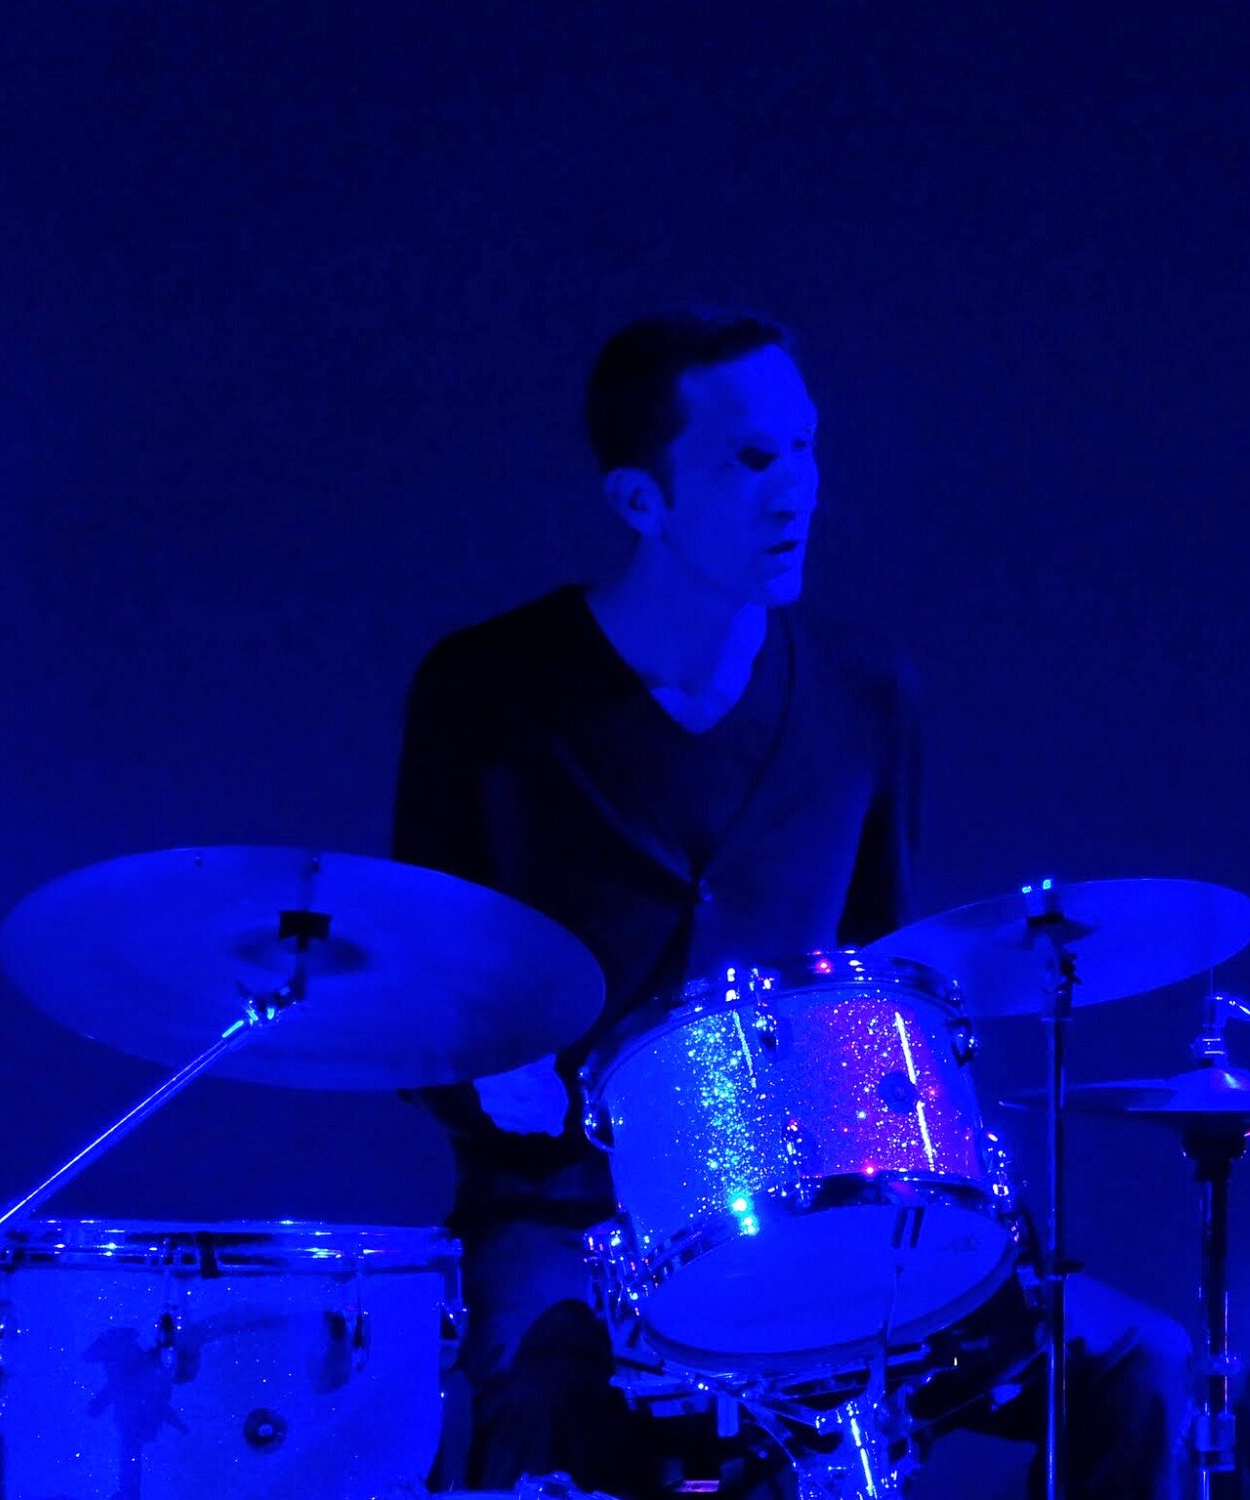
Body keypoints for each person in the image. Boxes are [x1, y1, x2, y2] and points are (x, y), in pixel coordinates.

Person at [393, 309, 1189, 1498]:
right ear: (639, 500)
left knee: (1138, 1363)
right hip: (567, 1213)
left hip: (823, 1206)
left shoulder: (865, 689)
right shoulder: (488, 689)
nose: (797, 490)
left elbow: (883, 967)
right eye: (752, 459)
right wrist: (484, 1073)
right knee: (541, 1398)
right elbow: (410, 984)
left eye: (806, 448)